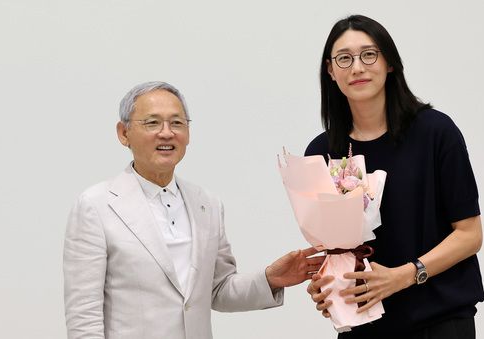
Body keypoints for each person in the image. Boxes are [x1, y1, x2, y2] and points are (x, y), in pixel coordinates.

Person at [63, 81, 324, 339]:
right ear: (124, 133)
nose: (166, 133)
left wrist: (270, 279)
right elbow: (84, 318)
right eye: (152, 123)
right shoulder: (96, 206)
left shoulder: (206, 204)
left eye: (177, 123)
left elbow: (219, 290)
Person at [305, 15, 484, 338]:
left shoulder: (436, 132)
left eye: (369, 54)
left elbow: (470, 235)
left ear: (389, 63)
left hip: (440, 321)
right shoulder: (322, 152)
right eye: (344, 58)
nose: (357, 67)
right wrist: (326, 284)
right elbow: (336, 249)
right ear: (330, 71)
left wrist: (405, 275)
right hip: (364, 325)